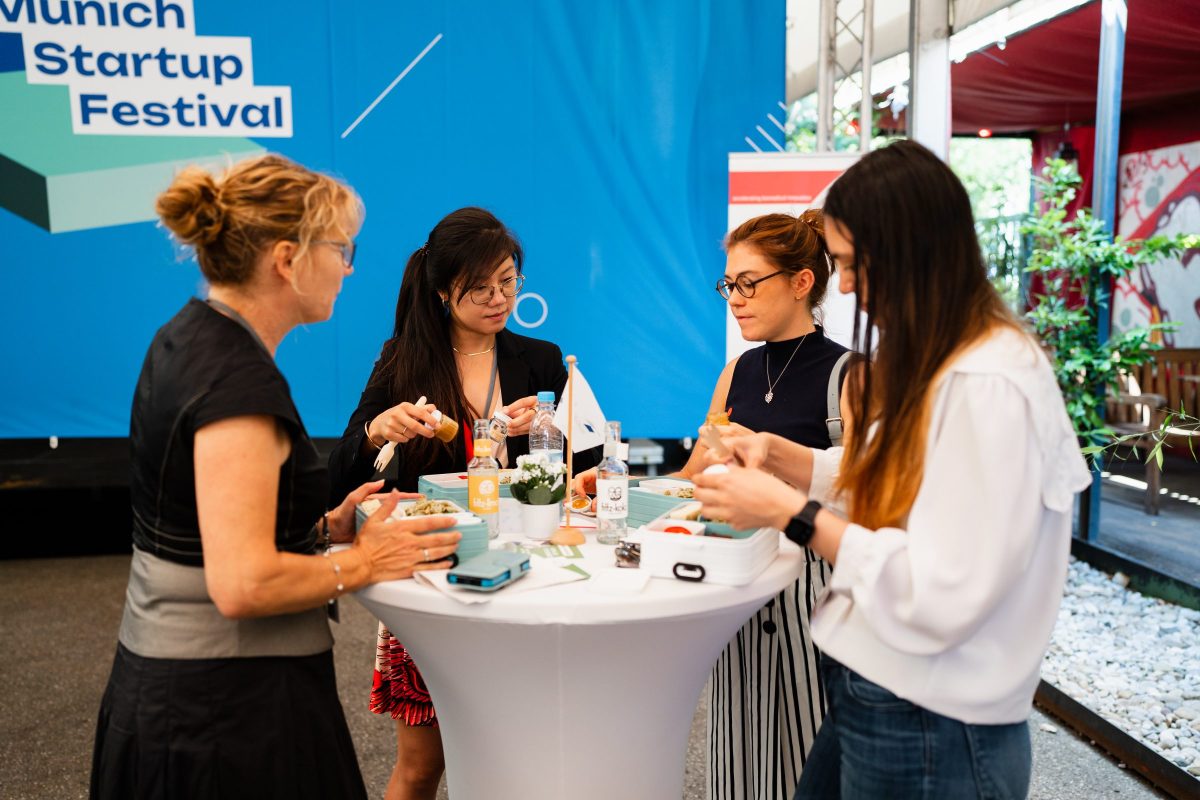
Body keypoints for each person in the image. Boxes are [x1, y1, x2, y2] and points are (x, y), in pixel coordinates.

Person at [693, 139, 1092, 799]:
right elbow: (883, 473)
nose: (846, 285)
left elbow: (940, 590)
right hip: (878, 680)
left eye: (853, 264)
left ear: (911, 252)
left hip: (933, 714)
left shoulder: (987, 383)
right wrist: (777, 453)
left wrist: (789, 511)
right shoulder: (946, 360)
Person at [89, 154, 462, 800]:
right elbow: (243, 584)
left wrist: (319, 530)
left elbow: (201, 525)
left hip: (190, 701)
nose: (348, 268)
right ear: (287, 260)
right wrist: (366, 561)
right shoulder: (236, 382)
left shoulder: (189, 338)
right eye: (340, 249)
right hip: (224, 719)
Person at [572, 209, 854, 800]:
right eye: (729, 285)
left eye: (749, 283)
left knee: (813, 759)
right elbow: (692, 478)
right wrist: (617, 484)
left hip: (815, 594)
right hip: (736, 583)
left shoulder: (848, 376)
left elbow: (866, 492)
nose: (736, 299)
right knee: (738, 754)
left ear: (801, 282)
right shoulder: (738, 372)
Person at [327, 206, 601, 800]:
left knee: (524, 760)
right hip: (435, 577)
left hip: (527, 579)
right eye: (481, 288)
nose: (499, 299)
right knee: (421, 766)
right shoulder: (403, 361)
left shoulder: (541, 360)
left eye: (508, 282)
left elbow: (585, 467)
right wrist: (378, 431)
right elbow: (341, 473)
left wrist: (553, 441)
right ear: (443, 291)